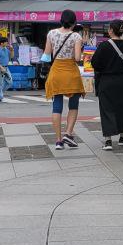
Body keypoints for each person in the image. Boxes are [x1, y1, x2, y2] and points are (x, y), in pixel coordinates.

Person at [92, 21, 123, 150]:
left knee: (106, 110)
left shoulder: (103, 46)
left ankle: (108, 141)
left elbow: (95, 63)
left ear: (112, 31)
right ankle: (122, 137)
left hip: (106, 82)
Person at [45, 11, 86, 150]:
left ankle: (58, 141)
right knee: (73, 105)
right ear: (74, 23)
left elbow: (46, 54)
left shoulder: (51, 33)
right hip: (70, 73)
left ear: (61, 21)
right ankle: (68, 133)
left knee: (57, 106)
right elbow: (77, 58)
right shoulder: (76, 36)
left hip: (56, 72)